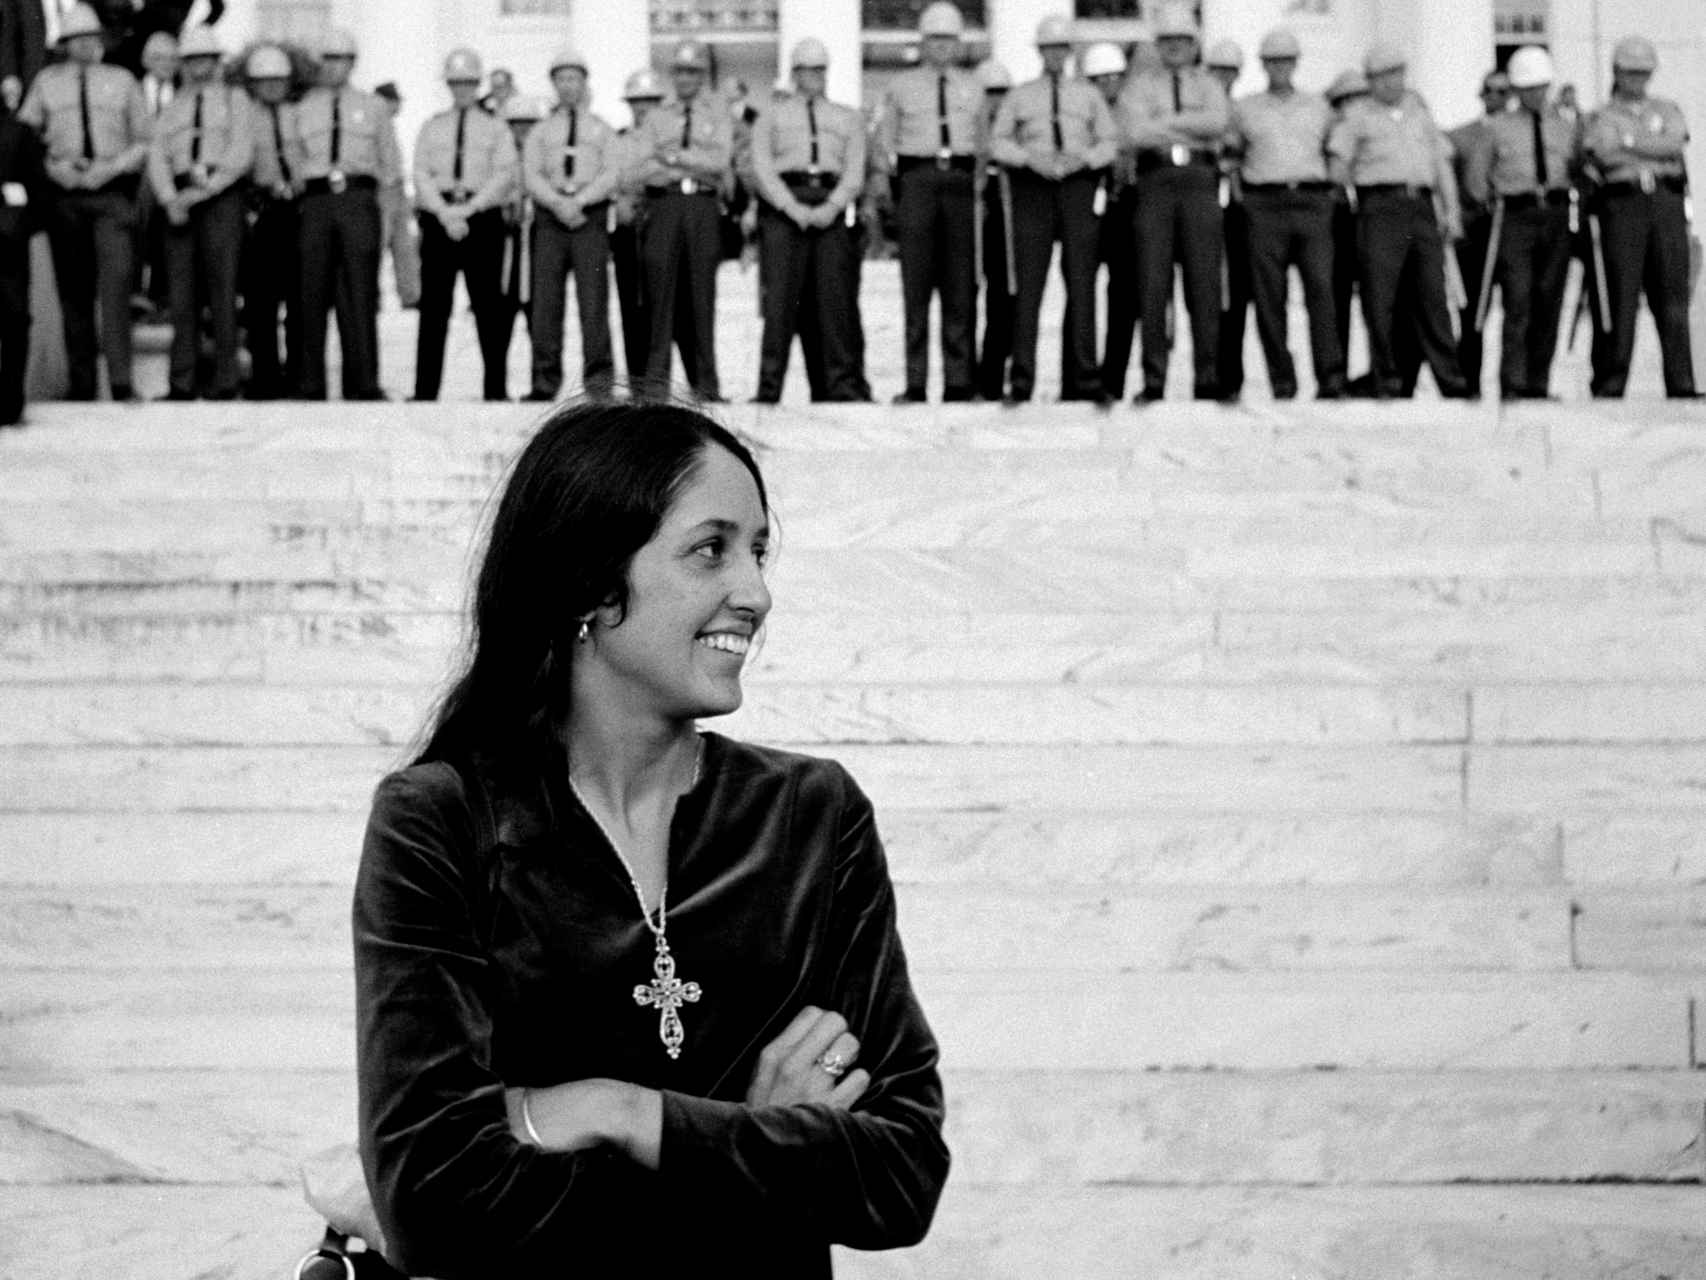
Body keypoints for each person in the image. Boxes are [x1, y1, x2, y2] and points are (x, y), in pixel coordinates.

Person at [353, 400, 950, 1275]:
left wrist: (620, 1112)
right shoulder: (441, 821)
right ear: (592, 584)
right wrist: (756, 1133)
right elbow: (432, 1200)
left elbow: (902, 1176)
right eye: (711, 549)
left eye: (757, 549)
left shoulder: (813, 817)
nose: (754, 592)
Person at [20, 2, 149, 402]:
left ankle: (122, 381)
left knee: (115, 287)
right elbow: (25, 142)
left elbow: (144, 141)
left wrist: (109, 169)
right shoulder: (46, 83)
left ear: (101, 41)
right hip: (65, 198)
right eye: (76, 40)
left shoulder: (124, 81)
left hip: (111, 196)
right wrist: (56, 168)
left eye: (90, 39)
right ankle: (81, 384)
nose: (84, 46)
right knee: (72, 293)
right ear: (65, 44)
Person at [1327, 42, 1470, 399]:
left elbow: (1442, 167)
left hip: (1421, 206)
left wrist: (1451, 212)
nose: (1392, 83)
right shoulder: (1358, 116)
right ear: (1370, 81)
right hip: (1380, 207)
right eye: (1382, 76)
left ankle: (1450, 379)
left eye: (1397, 74)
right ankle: (1387, 377)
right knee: (1381, 296)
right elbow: (1338, 165)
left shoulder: (1420, 114)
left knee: (1432, 295)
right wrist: (1350, 202)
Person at [989, 14, 1115, 405]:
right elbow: (997, 142)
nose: (1056, 55)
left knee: (1081, 283)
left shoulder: (1088, 96)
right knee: (1029, 287)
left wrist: (1084, 160)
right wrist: (1028, 158)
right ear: (1040, 52)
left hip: (1077, 185)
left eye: (1062, 48)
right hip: (1034, 186)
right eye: (1050, 49)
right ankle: (1021, 378)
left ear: (1070, 52)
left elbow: (1109, 141)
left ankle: (1085, 377)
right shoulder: (1020, 96)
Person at [1116, 1, 1230, 402]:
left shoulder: (1209, 84)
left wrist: (1163, 124)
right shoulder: (1139, 85)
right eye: (1167, 40)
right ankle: (1153, 377)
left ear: (1194, 44)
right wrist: (1186, 128)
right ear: (1158, 44)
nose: (1175, 47)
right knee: (1152, 280)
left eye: (1182, 40)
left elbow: (1217, 123)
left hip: (1199, 181)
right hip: (1156, 181)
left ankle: (1208, 375)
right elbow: (1133, 133)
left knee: (1204, 282)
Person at [1228, 27, 1344, 400]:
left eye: (1286, 60)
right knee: (1268, 298)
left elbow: (1337, 150)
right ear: (1263, 65)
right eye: (1272, 61)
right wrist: (1241, 196)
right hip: (1264, 204)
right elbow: (1230, 156)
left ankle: (1330, 378)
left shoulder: (1319, 107)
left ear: (1296, 63)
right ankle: (1282, 379)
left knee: (1321, 292)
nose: (1280, 67)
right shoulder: (1245, 108)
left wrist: (1332, 190)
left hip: (1312, 203)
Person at [287, 27, 402, 401]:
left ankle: (363, 383)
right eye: (327, 60)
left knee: (360, 292)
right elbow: (293, 160)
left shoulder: (374, 107)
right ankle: (309, 383)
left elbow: (390, 165)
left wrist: (385, 219)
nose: (334, 67)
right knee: (310, 292)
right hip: (317, 201)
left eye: (341, 60)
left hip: (358, 198)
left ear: (352, 63)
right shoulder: (301, 109)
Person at [748, 37, 865, 404]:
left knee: (834, 302)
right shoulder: (771, 116)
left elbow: (855, 168)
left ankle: (840, 387)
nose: (814, 76)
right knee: (781, 302)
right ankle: (769, 389)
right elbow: (762, 167)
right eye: (807, 70)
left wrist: (832, 206)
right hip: (786, 208)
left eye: (820, 69)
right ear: (794, 73)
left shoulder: (847, 117)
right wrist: (789, 206)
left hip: (829, 205)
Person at [877, 0, 982, 403]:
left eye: (949, 40)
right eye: (934, 39)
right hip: (917, 181)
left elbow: (983, 144)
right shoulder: (900, 86)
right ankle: (916, 383)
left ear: (958, 44)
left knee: (959, 286)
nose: (942, 47)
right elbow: (887, 141)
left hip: (958, 180)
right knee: (916, 286)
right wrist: (892, 190)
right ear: (922, 43)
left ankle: (958, 382)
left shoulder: (972, 86)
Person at [1583, 35, 1699, 399]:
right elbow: (1604, 152)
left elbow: (1675, 142)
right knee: (1621, 295)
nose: (1637, 80)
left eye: (1643, 73)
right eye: (1631, 73)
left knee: (1672, 297)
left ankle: (1681, 382)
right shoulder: (1601, 115)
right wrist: (1649, 147)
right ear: (1617, 73)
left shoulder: (1666, 108)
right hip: (1623, 204)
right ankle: (1610, 381)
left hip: (1664, 201)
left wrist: (1629, 143)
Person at [1463, 45, 1577, 402]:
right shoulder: (1497, 128)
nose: (1535, 94)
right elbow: (1476, 180)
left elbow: (1577, 166)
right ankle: (1512, 383)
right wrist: (1493, 200)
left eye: (1540, 86)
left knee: (1549, 298)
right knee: (1518, 298)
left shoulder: (1567, 124)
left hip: (1555, 213)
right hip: (1515, 216)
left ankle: (1537, 383)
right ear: (1516, 89)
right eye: (1527, 88)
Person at [145, 23, 251, 400]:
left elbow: (241, 151)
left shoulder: (234, 99)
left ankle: (226, 380)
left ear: (216, 61)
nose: (198, 66)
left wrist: (207, 189)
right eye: (192, 60)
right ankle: (182, 381)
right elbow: (156, 154)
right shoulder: (172, 106)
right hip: (179, 203)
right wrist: (170, 197)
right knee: (182, 295)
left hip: (220, 198)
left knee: (223, 291)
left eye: (205, 58)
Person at [411, 47, 517, 403]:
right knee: (434, 309)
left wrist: (470, 208)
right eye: (456, 83)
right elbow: (421, 172)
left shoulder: (495, 128)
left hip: (481, 219)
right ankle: (425, 391)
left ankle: (495, 390)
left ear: (478, 84)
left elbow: (504, 174)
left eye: (469, 83)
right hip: (441, 219)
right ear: (448, 85)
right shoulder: (432, 126)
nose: (462, 90)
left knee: (489, 309)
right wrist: (443, 212)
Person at [631, 39, 730, 403]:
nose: (686, 78)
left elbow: (720, 160)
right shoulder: (656, 116)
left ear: (703, 76)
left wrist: (672, 155)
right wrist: (689, 161)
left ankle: (707, 385)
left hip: (702, 206)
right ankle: (657, 387)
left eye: (693, 71)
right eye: (681, 71)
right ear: (672, 76)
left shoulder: (717, 115)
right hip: (665, 206)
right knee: (661, 298)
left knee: (701, 297)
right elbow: (643, 165)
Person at [523, 46, 617, 402]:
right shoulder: (541, 132)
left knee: (594, 302)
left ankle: (601, 383)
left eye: (574, 78)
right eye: (561, 78)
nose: (568, 85)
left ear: (584, 82)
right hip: (551, 219)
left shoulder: (601, 129)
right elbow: (530, 173)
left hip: (587, 217)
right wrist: (557, 202)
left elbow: (611, 172)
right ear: (553, 83)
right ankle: (544, 381)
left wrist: (580, 200)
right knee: (546, 304)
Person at [241, 42, 301, 400]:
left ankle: (297, 375)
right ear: (253, 84)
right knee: (260, 300)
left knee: (298, 298)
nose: (272, 87)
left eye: (278, 80)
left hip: (295, 211)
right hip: (261, 210)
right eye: (264, 81)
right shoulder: (244, 117)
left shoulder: (298, 115)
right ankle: (264, 377)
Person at [1447, 69, 1511, 398]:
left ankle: (1516, 384)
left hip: (1513, 226)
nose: (1497, 98)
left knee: (1519, 307)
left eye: (1504, 91)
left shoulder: (1523, 132)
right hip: (1478, 229)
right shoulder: (1462, 136)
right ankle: (1468, 383)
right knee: (1473, 311)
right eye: (1491, 91)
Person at [1204, 38, 1250, 401]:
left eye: (1229, 72)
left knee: (1233, 292)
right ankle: (1206, 373)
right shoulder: (1199, 105)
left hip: (1234, 203)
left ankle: (1230, 375)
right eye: (1217, 71)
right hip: (1197, 201)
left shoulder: (1242, 111)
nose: (1223, 78)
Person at [0, 82, 45, 425]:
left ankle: (11, 402)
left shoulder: (20, 133)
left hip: (8, 244)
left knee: (14, 319)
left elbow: (37, 190)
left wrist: (17, 221)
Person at [494, 93, 543, 397]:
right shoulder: (500, 156)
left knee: (539, 319)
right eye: (516, 125)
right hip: (507, 244)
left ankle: (540, 384)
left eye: (528, 125)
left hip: (536, 242)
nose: (522, 131)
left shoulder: (541, 154)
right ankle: (496, 386)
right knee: (500, 317)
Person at [974, 57, 1015, 401]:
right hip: (970, 218)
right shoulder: (966, 127)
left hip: (1003, 220)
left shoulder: (1014, 129)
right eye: (989, 93)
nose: (996, 100)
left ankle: (991, 377)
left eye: (1002, 92)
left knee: (1002, 300)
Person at [1324, 68, 1366, 381]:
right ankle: (1337, 371)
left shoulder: (1373, 130)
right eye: (1346, 100)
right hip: (1339, 219)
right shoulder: (1329, 136)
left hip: (1373, 217)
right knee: (1336, 298)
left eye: (1359, 98)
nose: (1353, 105)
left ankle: (1380, 370)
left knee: (1379, 300)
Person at [373, 82, 421, 310]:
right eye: (394, 100)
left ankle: (410, 294)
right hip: (380, 192)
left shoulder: (389, 125)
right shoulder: (374, 125)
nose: (398, 104)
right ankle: (370, 296)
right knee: (377, 245)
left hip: (398, 191)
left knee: (405, 246)